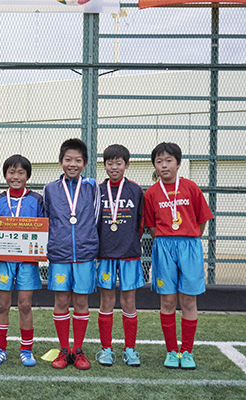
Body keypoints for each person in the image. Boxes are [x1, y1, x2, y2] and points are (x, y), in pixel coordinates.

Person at [143, 142, 213, 370]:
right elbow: (151, 226)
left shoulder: (191, 188)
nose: (163, 166)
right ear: (154, 165)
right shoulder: (151, 193)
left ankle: (188, 351)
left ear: (179, 163)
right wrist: (166, 239)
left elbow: (202, 220)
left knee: (189, 300)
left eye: (168, 161)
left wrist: (189, 237)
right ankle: (172, 351)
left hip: (189, 246)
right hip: (163, 246)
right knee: (168, 300)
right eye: (159, 161)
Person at [43, 138, 100, 370]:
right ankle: (64, 349)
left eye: (78, 160)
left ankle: (78, 350)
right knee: (61, 301)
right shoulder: (49, 189)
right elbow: (46, 219)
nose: (72, 164)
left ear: (85, 163)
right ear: (60, 162)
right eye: (68, 159)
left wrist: (89, 242)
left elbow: (96, 217)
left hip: (85, 254)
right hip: (59, 254)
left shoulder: (92, 186)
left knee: (81, 301)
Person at [0, 155, 45, 367]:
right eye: (11, 172)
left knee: (25, 304)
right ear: (5, 175)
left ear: (27, 176)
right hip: (3, 259)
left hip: (27, 261)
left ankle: (26, 350)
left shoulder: (37, 200)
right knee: (2, 305)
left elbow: (44, 227)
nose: (16, 177)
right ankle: (0, 349)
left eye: (20, 173)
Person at [95, 144, 145, 367]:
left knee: (129, 301)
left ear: (127, 165)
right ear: (104, 165)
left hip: (129, 254)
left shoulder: (135, 190)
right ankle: (106, 348)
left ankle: (130, 349)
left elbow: (141, 223)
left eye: (118, 163)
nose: (114, 167)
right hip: (105, 254)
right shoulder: (98, 190)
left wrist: (129, 241)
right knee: (106, 301)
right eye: (110, 163)